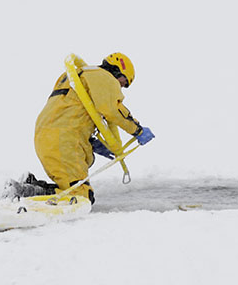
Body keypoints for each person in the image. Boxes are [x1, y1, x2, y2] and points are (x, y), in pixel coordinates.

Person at [31, 52, 154, 204]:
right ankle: (26, 194)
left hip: (46, 136)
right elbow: (112, 110)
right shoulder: (103, 77)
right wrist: (137, 130)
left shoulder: (77, 75)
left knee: (69, 188)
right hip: (65, 141)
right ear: (116, 69)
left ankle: (29, 187)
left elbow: (71, 112)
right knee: (81, 196)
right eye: (123, 81)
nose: (122, 86)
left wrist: (90, 142)